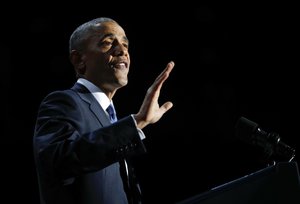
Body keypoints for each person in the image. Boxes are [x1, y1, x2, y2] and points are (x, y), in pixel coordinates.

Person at [32, 17, 174, 204]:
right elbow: (57, 162)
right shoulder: (64, 102)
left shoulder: (110, 118)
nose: (122, 50)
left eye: (125, 44)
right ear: (78, 59)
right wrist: (137, 122)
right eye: (107, 42)